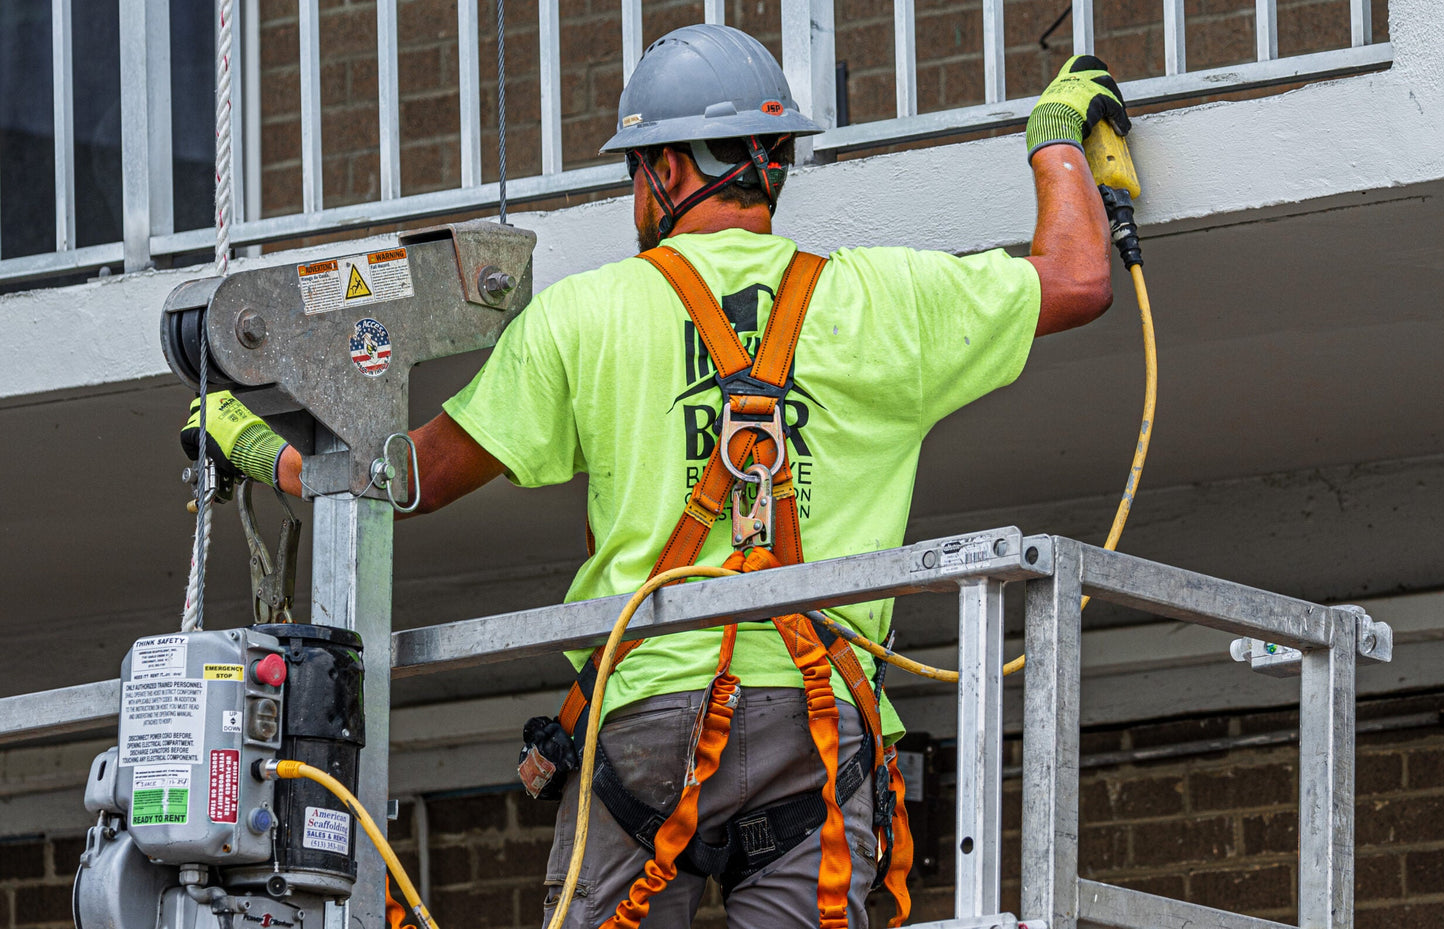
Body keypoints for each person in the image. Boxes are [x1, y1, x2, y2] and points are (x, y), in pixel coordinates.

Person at [185, 24, 1127, 929]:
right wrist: (1055, 140)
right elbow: (1079, 277)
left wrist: (258, 444)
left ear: (668, 170)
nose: (636, 196)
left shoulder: (585, 317)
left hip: (647, 723)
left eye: (638, 173)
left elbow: (405, 478)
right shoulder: (885, 299)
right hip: (820, 724)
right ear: (772, 162)